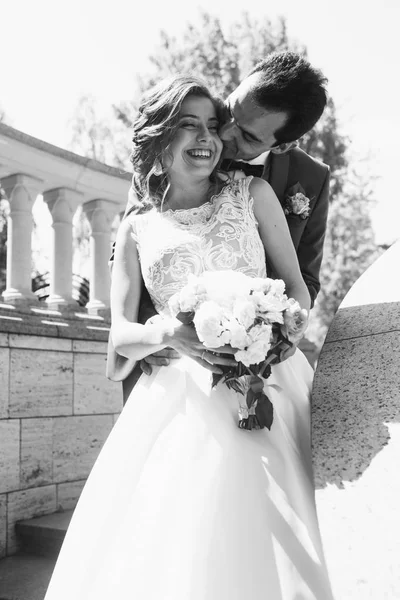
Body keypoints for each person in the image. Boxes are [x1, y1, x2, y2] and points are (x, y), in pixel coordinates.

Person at [45, 75, 334, 600]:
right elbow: (117, 352)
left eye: (211, 126)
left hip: (270, 382)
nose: (211, 136)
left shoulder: (256, 193)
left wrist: (272, 331)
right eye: (188, 125)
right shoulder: (136, 228)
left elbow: (296, 289)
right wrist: (169, 335)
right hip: (179, 404)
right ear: (158, 137)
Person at [107, 51, 330, 401]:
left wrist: (276, 334)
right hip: (173, 375)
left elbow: (303, 280)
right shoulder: (178, 142)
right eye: (230, 110)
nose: (222, 133)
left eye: (246, 135)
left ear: (283, 145)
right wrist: (166, 333)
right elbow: (135, 257)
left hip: (259, 366)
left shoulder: (302, 181)